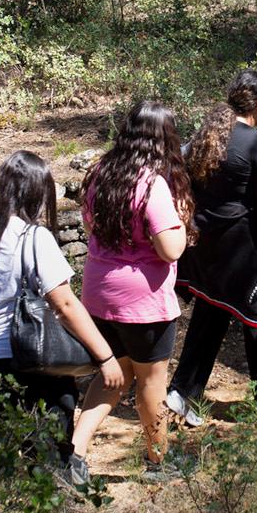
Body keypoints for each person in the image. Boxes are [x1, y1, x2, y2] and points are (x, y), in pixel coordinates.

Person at [0, 151, 124, 488]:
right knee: (47, 452)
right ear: (35, 193)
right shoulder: (31, 237)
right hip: (27, 363)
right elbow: (65, 304)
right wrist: (105, 357)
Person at [168, 71, 257, 425]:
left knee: (213, 313)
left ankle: (184, 393)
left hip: (207, 246)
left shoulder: (208, 133)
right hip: (241, 251)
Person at [69, 101, 191, 478]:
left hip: (98, 293)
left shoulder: (100, 173)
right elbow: (170, 249)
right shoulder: (151, 183)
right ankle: (159, 460)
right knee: (151, 382)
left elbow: (91, 228)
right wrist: (183, 222)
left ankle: (74, 453)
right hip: (143, 303)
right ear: (164, 138)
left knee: (113, 375)